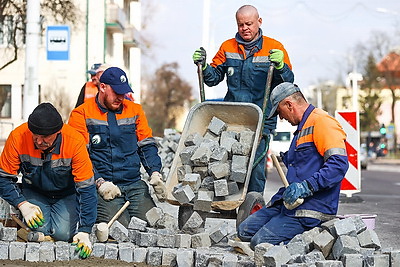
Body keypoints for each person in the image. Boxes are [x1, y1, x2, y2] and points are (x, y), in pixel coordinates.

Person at [192, 5, 294, 193]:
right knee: (225, 162)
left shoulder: (274, 48)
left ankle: (253, 204)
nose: (244, 28)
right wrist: (204, 67)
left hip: (260, 119)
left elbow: (287, 83)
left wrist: (280, 66)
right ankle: (226, 199)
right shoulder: (228, 47)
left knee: (255, 167)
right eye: (240, 24)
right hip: (232, 118)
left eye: (249, 23)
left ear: (259, 22)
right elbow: (213, 79)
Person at [237, 82, 349, 249]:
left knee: (259, 243)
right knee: (244, 230)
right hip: (290, 205)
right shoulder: (301, 129)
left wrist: (307, 186)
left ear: (289, 104)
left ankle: (313, 241)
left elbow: (339, 165)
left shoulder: (322, 121)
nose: (281, 118)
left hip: (311, 210)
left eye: (280, 112)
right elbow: (301, 169)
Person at [68, 66, 167, 227]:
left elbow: (146, 145)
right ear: (102, 87)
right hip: (103, 185)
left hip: (133, 183)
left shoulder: (135, 110)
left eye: (123, 93)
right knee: (121, 228)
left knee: (150, 224)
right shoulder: (81, 114)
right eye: (116, 92)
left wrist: (155, 173)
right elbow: (79, 157)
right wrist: (100, 182)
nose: (121, 97)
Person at [0, 103, 96, 259]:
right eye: (35, 135)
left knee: (63, 234)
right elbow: (3, 178)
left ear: (58, 132)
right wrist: (22, 204)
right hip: (34, 191)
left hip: (66, 194)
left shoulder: (74, 141)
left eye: (45, 137)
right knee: (40, 231)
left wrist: (85, 230)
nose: (38, 141)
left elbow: (86, 189)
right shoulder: (17, 137)